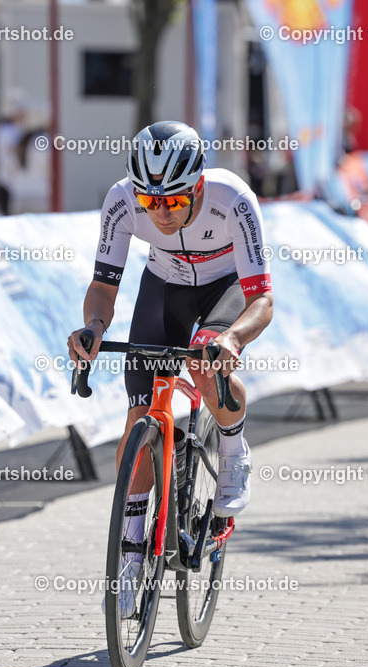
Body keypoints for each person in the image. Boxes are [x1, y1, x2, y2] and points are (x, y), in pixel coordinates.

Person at [68, 120, 273, 521]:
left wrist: (231, 339)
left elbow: (262, 300)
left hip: (225, 287)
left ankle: (232, 450)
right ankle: (131, 535)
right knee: (138, 414)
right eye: (149, 202)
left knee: (203, 360)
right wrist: (94, 327)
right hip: (165, 285)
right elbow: (103, 288)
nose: (160, 213)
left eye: (174, 202)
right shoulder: (121, 200)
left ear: (197, 186)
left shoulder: (233, 198)